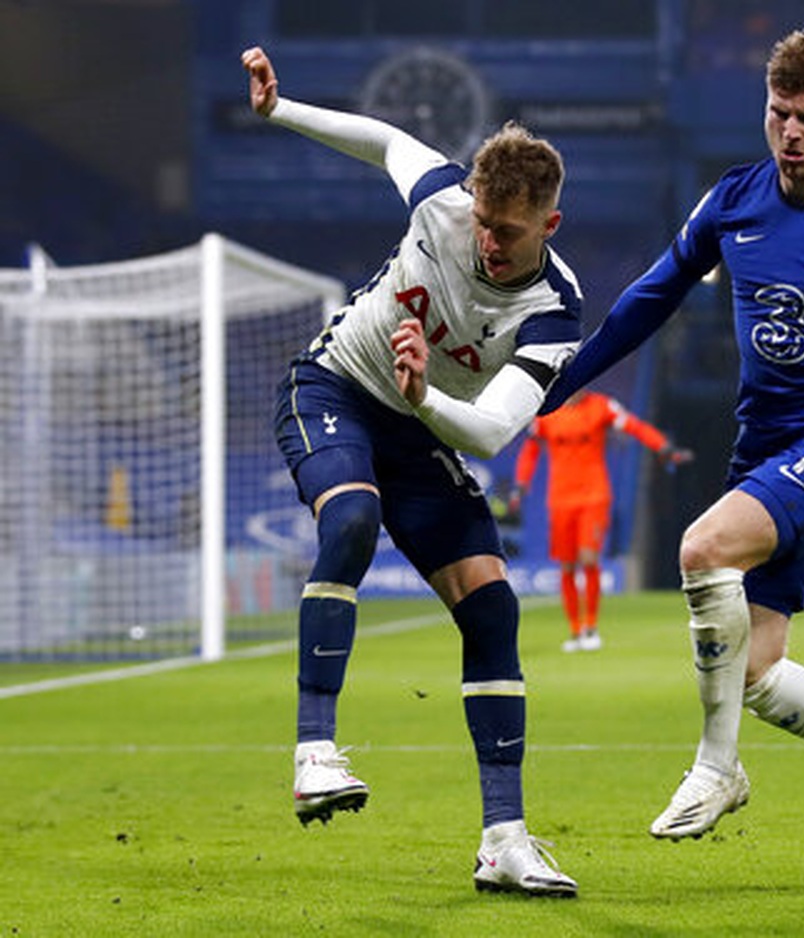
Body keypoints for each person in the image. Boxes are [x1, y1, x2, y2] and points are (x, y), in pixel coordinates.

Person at [540, 29, 804, 859]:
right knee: (757, 673)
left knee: (702, 548)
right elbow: (652, 296)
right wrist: (565, 379)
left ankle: (717, 767)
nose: (790, 133)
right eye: (777, 115)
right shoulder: (732, 201)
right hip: (764, 445)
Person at [242, 46, 580, 897]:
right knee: (351, 518)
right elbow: (385, 139)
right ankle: (315, 750)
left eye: (509, 231)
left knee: (493, 608)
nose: (488, 243)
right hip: (335, 390)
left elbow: (495, 433)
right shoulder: (444, 200)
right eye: (481, 221)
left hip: (424, 424)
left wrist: (425, 396)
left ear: (550, 225)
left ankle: (504, 838)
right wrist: (281, 110)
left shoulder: (553, 311)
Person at [509, 387, 693, 652]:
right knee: (567, 566)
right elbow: (531, 450)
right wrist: (521, 484)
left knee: (588, 559)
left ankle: (591, 627)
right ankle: (575, 632)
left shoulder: (602, 407)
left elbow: (634, 426)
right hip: (560, 499)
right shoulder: (547, 412)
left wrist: (663, 447)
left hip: (593, 496)